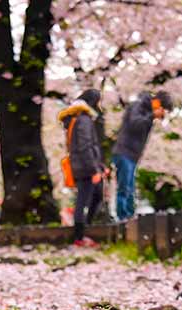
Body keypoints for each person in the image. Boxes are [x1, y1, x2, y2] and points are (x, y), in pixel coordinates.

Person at [112, 91, 174, 220]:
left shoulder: (147, 111)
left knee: (130, 188)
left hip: (132, 155)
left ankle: (129, 217)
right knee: (124, 187)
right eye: (163, 109)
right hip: (124, 152)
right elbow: (135, 124)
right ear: (157, 102)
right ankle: (123, 218)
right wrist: (152, 115)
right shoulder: (138, 106)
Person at [58, 89, 106, 248]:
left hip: (81, 165)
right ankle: (79, 236)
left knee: (96, 195)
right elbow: (86, 146)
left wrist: (99, 166)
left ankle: (85, 230)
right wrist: (94, 170)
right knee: (83, 200)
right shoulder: (83, 120)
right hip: (86, 167)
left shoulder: (75, 119)